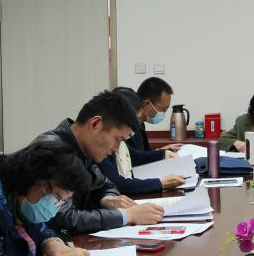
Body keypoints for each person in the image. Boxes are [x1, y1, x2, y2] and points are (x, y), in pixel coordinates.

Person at [33, 91, 166, 234]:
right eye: (117, 140)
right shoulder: (50, 152)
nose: (116, 149)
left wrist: (107, 199)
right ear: (95, 124)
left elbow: (106, 185)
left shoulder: (84, 148)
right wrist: (126, 215)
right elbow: (63, 218)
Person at [99, 88, 187, 195]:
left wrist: (162, 153)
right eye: (135, 120)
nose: (136, 125)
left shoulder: (121, 139)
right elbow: (117, 184)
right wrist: (161, 183)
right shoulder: (102, 146)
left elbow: (135, 156)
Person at [132, 76, 183, 154]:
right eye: (163, 110)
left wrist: (161, 150)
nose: (163, 114)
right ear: (147, 103)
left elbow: (144, 154)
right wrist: (161, 153)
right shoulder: (129, 128)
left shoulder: (140, 125)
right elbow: (134, 158)